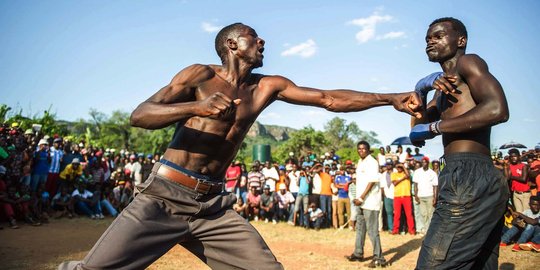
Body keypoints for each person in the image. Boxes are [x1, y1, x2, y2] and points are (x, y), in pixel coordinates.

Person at [60, 22, 423, 269]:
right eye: (254, 37)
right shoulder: (199, 76)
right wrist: (195, 106)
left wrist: (388, 98)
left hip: (212, 207)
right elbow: (140, 115)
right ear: (232, 44)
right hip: (165, 196)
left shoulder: (266, 87)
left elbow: (328, 98)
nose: (263, 41)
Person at [409, 17, 509, 269]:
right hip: (463, 173)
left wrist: (436, 127)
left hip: (468, 174)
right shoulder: (442, 87)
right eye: (427, 38)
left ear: (460, 40)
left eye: (438, 36)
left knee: (433, 265)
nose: (430, 41)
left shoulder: (468, 62)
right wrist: (420, 89)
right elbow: (416, 132)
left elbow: (497, 109)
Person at [347, 141, 387, 268]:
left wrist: (361, 197)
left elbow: (372, 181)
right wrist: (357, 198)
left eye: (364, 149)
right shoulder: (360, 162)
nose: (361, 151)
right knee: (360, 229)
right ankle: (358, 253)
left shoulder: (372, 162)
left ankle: (379, 258)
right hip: (360, 202)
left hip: (369, 202)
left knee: (372, 231)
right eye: (359, 149)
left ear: (368, 150)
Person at [412, 157, 438, 234]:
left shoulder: (432, 173)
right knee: (423, 214)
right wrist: (416, 195)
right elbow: (415, 185)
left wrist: (435, 198)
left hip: (430, 195)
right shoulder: (417, 172)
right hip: (421, 196)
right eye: (422, 162)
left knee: (430, 214)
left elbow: (435, 186)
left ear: (428, 163)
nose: (424, 163)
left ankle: (430, 231)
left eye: (425, 162)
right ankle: (425, 229)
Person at [506, 148, 530, 213]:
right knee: (519, 214)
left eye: (515, 156)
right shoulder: (510, 166)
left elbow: (523, 179)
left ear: (519, 156)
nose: (513, 158)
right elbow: (507, 178)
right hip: (516, 193)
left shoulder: (524, 166)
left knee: (526, 214)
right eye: (511, 157)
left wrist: (512, 177)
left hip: (525, 194)